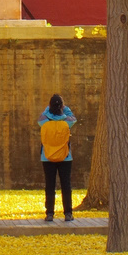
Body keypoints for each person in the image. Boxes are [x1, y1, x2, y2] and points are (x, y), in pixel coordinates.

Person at [37, 93, 76, 222]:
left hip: (47, 157)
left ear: (50, 106)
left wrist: (48, 108)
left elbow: (41, 117)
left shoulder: (44, 122)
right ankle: (68, 213)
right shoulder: (66, 122)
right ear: (62, 106)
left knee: (50, 185)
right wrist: (64, 108)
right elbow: (73, 118)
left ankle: (49, 213)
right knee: (66, 185)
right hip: (65, 157)